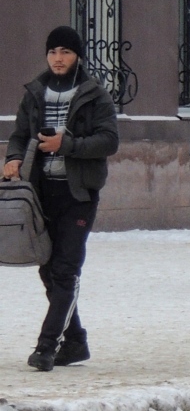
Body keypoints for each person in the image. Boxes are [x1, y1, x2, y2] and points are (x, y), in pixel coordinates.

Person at [3, 26, 119, 371]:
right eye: (53, 52)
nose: (58, 58)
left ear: (77, 56)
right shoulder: (35, 92)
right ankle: (76, 341)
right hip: (41, 193)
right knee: (49, 270)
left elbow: (109, 141)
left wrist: (64, 145)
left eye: (65, 52)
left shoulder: (94, 94)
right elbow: (20, 133)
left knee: (65, 271)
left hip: (78, 193)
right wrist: (12, 157)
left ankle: (46, 346)